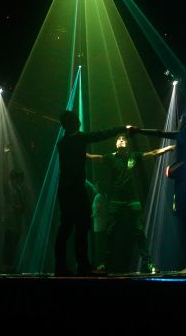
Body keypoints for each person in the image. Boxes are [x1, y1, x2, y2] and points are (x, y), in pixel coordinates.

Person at [55, 110, 137, 276]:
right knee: (81, 227)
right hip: (76, 191)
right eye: (76, 119)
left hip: (65, 191)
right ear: (73, 122)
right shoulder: (79, 139)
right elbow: (101, 134)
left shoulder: (62, 143)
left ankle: (61, 267)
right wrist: (122, 128)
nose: (79, 120)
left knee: (65, 228)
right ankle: (83, 266)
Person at [87, 134, 176, 274]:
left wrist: (168, 148)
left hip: (132, 200)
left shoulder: (134, 156)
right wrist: (82, 153)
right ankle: (104, 264)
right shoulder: (111, 157)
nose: (121, 140)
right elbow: (95, 157)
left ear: (127, 143)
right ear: (116, 144)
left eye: (123, 139)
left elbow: (152, 153)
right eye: (119, 139)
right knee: (110, 232)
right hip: (116, 201)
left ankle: (148, 264)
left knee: (139, 231)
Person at [3, 168, 32, 273]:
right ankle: (6, 266)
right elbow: (8, 203)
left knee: (14, 244)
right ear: (14, 178)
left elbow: (23, 206)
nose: (20, 182)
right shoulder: (8, 188)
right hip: (10, 222)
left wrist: (22, 207)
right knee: (9, 244)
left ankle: (10, 266)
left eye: (21, 179)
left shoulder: (19, 190)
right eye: (19, 179)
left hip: (17, 223)